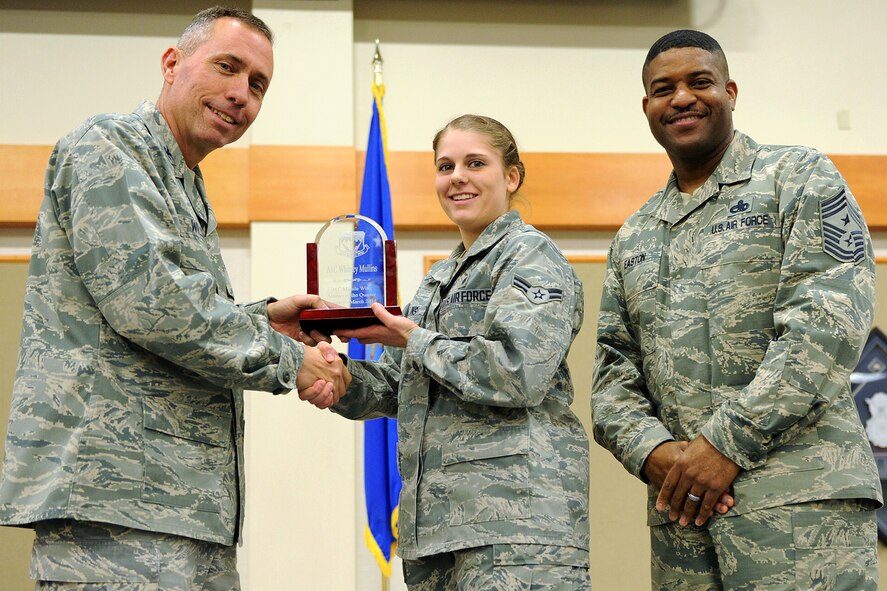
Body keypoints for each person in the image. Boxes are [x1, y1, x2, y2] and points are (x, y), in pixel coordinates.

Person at [0, 7, 347, 590]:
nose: (240, 94)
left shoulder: (184, 180)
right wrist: (292, 362)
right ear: (171, 63)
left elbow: (163, 311)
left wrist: (262, 319)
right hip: (114, 507)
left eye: (257, 84)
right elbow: (155, 306)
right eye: (227, 67)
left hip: (184, 508)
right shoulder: (109, 148)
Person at [591, 29, 881, 590]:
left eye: (699, 82)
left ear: (730, 90)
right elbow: (611, 374)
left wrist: (725, 442)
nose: (681, 98)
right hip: (682, 519)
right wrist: (651, 453)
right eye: (662, 88)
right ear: (646, 107)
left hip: (799, 507)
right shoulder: (635, 235)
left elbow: (825, 328)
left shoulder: (797, 178)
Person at [302, 115, 591, 589]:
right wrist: (339, 379)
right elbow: (401, 384)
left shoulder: (530, 257)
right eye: (445, 165)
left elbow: (516, 372)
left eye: (475, 163)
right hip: (436, 530)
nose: (456, 176)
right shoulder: (439, 278)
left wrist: (414, 338)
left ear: (511, 176)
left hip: (516, 529)